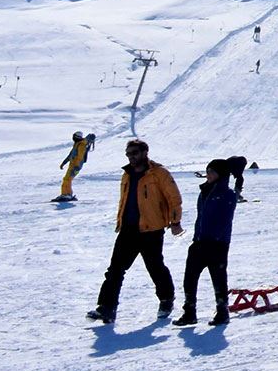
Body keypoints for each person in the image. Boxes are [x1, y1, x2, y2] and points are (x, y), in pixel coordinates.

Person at [88, 139, 183, 323]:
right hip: (128, 230)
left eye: (134, 153)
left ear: (145, 152)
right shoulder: (127, 174)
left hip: (152, 230)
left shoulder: (159, 174)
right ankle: (106, 308)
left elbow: (174, 198)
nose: (131, 157)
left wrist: (175, 221)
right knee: (115, 270)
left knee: (155, 267)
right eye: (128, 154)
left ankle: (166, 299)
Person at [173, 158, 237, 326]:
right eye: (207, 171)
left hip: (217, 244)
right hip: (200, 242)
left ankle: (222, 312)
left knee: (218, 279)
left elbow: (225, 220)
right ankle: (189, 312)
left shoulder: (228, 194)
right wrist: (197, 238)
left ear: (221, 174)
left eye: (212, 172)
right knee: (190, 278)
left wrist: (215, 238)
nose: (208, 175)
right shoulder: (204, 192)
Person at [58, 131, 95, 202]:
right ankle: (67, 194)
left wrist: (76, 166)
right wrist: (64, 163)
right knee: (67, 179)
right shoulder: (77, 144)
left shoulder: (81, 145)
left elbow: (80, 157)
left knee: (67, 179)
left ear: (77, 137)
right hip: (72, 165)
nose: (73, 138)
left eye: (74, 136)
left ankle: (66, 195)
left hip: (75, 166)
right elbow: (71, 155)